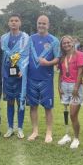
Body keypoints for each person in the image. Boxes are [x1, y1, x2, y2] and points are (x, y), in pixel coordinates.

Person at [26, 15, 59, 143]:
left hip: (46, 79)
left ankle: (49, 132)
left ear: (48, 25)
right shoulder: (30, 39)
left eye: (44, 23)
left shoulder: (54, 41)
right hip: (31, 79)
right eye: (39, 23)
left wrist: (48, 62)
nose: (41, 26)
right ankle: (35, 131)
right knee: (33, 106)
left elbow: (58, 58)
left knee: (47, 107)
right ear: (36, 24)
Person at [1, 14, 30, 139]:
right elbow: (3, 56)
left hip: (20, 74)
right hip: (8, 74)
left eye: (16, 20)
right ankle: (10, 128)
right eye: (11, 20)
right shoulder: (3, 38)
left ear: (20, 23)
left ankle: (20, 128)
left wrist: (23, 68)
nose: (14, 23)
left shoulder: (25, 38)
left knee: (20, 101)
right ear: (8, 23)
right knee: (10, 102)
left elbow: (27, 55)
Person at [57, 35, 83, 149]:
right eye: (64, 43)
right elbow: (61, 72)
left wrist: (76, 87)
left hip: (75, 87)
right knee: (66, 112)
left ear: (72, 43)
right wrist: (59, 87)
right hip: (64, 86)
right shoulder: (62, 57)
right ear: (62, 45)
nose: (66, 44)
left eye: (68, 42)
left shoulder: (79, 54)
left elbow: (80, 72)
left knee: (73, 114)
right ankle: (67, 135)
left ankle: (76, 138)